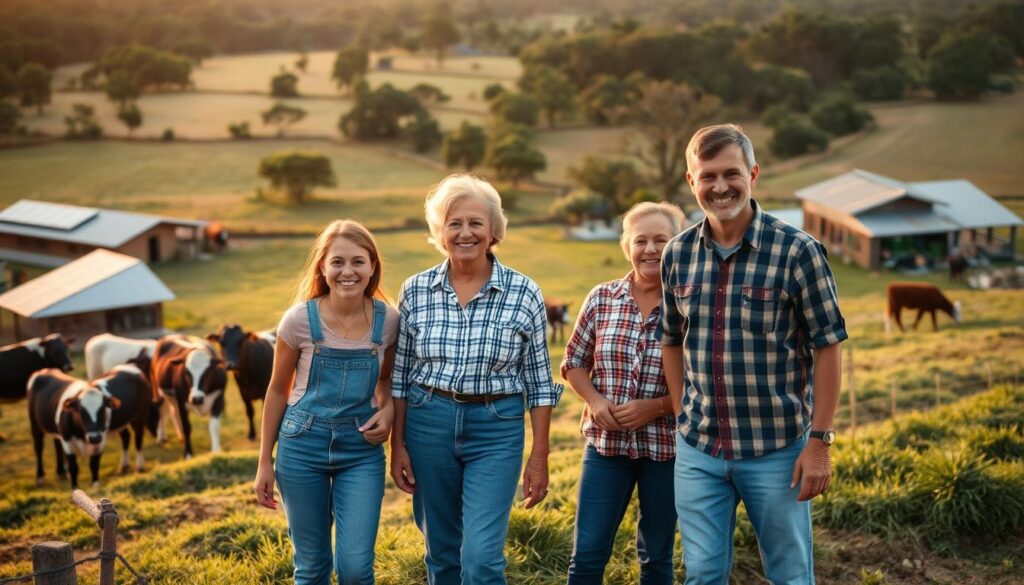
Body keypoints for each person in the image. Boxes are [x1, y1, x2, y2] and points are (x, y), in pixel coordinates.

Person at [660, 124, 847, 584]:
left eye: (731, 173)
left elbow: (828, 346)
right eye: (707, 176)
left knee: (789, 572)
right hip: (699, 448)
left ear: (753, 174)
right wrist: (684, 409)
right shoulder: (677, 254)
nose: (720, 187)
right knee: (702, 574)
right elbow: (670, 339)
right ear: (691, 181)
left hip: (777, 450)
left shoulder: (798, 252)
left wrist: (819, 443)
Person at [389, 174, 562, 585]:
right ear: (440, 232)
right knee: (442, 553)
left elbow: (539, 382)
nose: (465, 232)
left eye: (475, 223)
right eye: (454, 223)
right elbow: (400, 378)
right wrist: (397, 446)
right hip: (428, 422)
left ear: (493, 231)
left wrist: (540, 457)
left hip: (496, 428)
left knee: (482, 559)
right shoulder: (415, 290)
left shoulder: (524, 292)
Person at [253, 220, 398, 585]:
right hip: (301, 446)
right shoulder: (299, 320)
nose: (347, 272)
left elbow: (386, 381)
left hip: (361, 449)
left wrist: (388, 410)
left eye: (357, 262)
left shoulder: (390, 322)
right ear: (322, 266)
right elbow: (276, 391)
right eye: (337, 262)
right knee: (313, 566)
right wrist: (264, 463)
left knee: (355, 568)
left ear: (372, 266)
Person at [561, 202, 685, 585]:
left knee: (657, 558)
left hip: (667, 451)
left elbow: (705, 382)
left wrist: (657, 407)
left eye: (661, 240)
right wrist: (595, 401)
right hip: (605, 449)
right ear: (626, 245)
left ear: (677, 243)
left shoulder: (688, 303)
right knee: (587, 557)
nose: (651, 249)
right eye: (641, 240)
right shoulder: (602, 298)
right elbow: (573, 363)